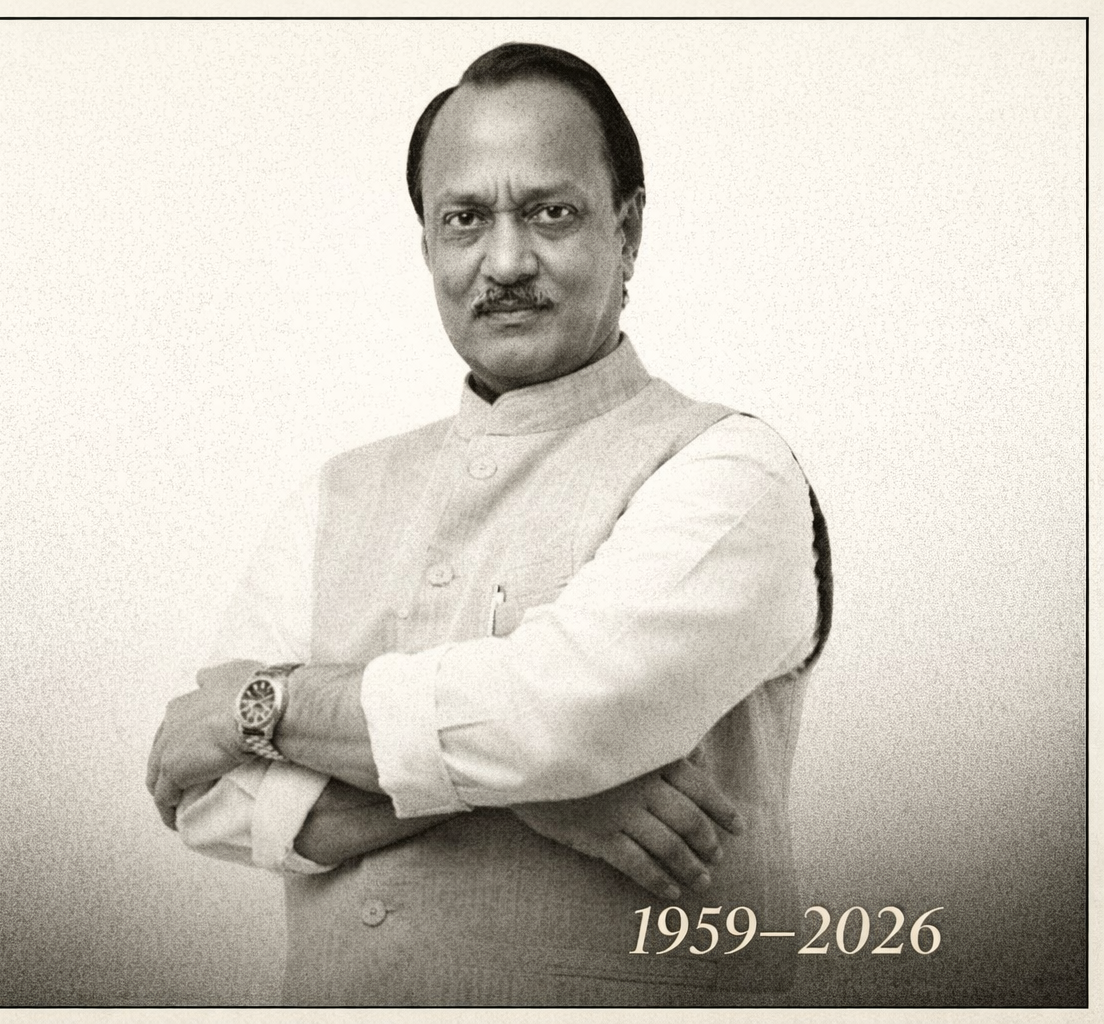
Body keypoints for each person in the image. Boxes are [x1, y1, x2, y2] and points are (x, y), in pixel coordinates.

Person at [147, 41, 831, 1006]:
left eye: (551, 212)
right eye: (465, 219)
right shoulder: (335, 492)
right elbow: (207, 799)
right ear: (428, 245)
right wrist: (544, 793)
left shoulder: (731, 471)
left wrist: (256, 709)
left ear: (628, 232)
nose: (505, 260)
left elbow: (557, 718)